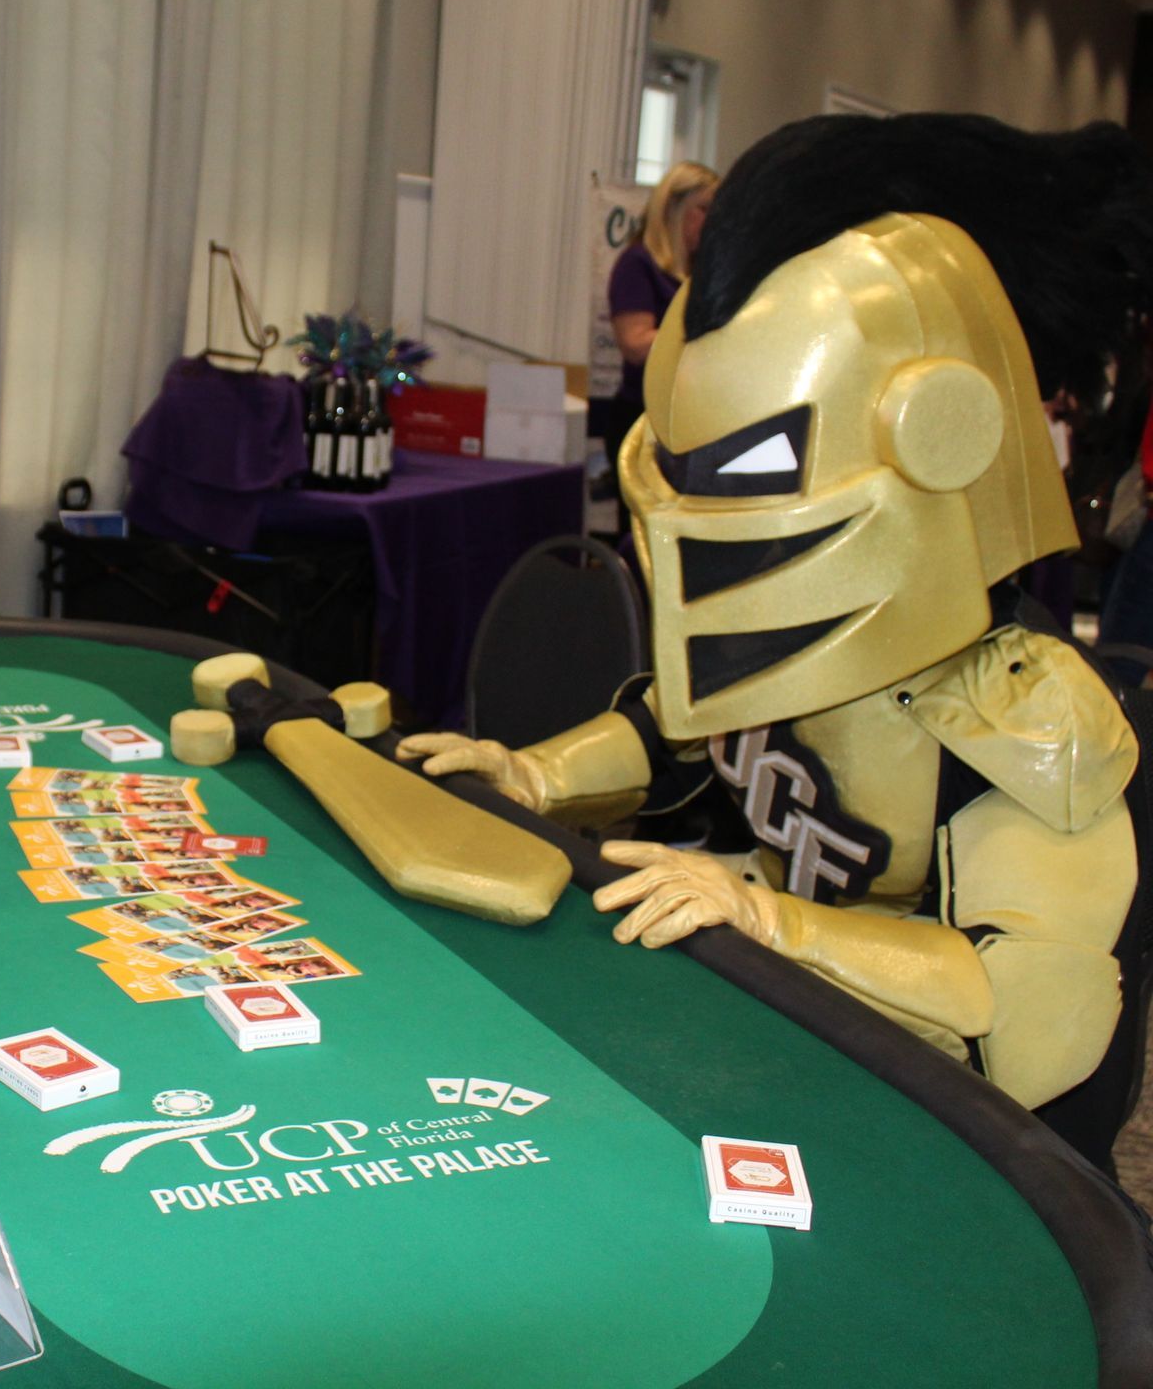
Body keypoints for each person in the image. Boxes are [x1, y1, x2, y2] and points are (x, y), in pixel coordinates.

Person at [402, 115, 1153, 1165]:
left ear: (938, 434)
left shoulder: (1029, 712)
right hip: (786, 1056)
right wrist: (531, 775)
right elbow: (677, 732)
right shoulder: (796, 641)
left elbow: (1028, 1014)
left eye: (743, 469)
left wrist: (766, 924)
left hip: (977, 1154)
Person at [601, 161, 720, 487]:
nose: (711, 221)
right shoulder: (637, 264)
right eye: (703, 209)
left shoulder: (700, 272)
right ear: (672, 208)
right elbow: (635, 344)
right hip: (643, 420)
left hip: (687, 421)